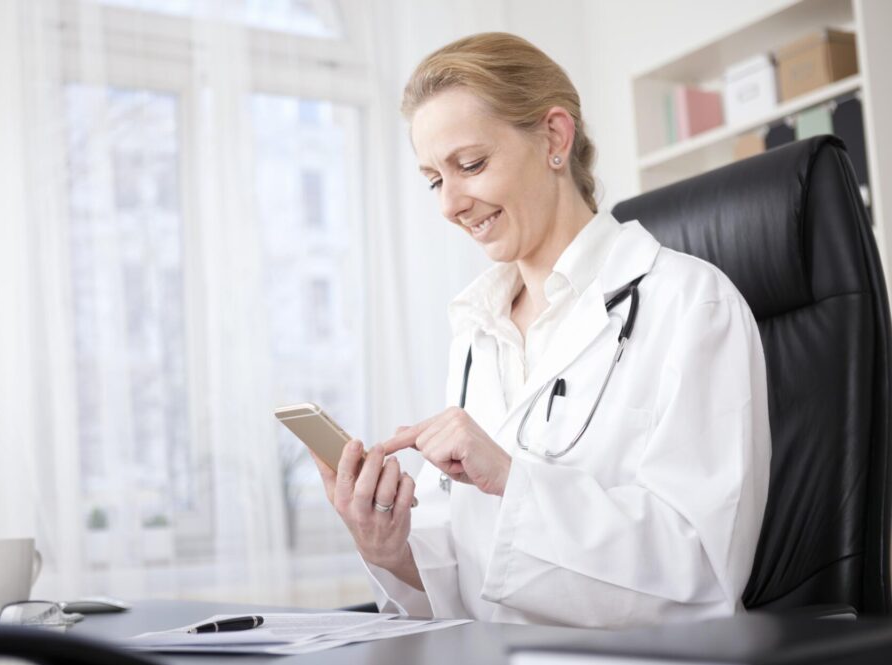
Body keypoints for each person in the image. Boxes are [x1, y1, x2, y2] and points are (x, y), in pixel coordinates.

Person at [311, 32, 771, 628]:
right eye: (433, 179)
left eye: (470, 165)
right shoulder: (478, 334)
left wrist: (508, 477)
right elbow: (471, 566)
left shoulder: (692, 304)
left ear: (555, 137)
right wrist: (390, 548)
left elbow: (703, 570)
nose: (450, 203)